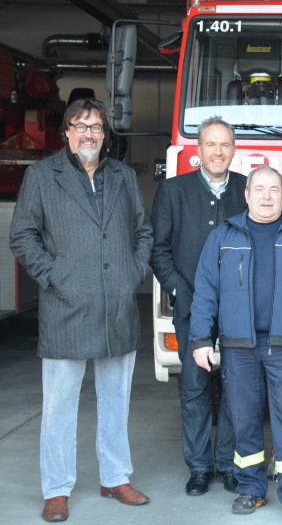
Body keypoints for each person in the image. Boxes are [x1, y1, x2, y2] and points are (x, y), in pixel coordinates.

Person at [9, 98, 153, 522]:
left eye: (96, 127)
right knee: (59, 405)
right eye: (81, 126)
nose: (89, 134)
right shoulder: (42, 176)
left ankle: (115, 477)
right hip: (66, 306)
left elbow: (142, 231)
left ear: (105, 135)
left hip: (117, 306)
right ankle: (56, 489)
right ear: (66, 132)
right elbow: (23, 236)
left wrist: (135, 272)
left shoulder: (123, 176)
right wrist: (54, 277)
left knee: (116, 401)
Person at [189, 165, 282, 525]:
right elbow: (206, 291)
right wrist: (201, 338)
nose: (267, 196)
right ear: (247, 195)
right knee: (244, 420)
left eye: (274, 189)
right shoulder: (224, 236)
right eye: (260, 189)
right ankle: (251, 490)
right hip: (239, 347)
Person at [150, 116, 246, 496]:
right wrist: (180, 292)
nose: (218, 152)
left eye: (225, 145)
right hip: (192, 308)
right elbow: (159, 249)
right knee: (193, 387)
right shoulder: (172, 191)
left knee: (238, 387)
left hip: (241, 310)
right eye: (210, 144)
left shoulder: (248, 189)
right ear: (198, 150)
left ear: (234, 150)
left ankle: (228, 464)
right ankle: (200, 467)